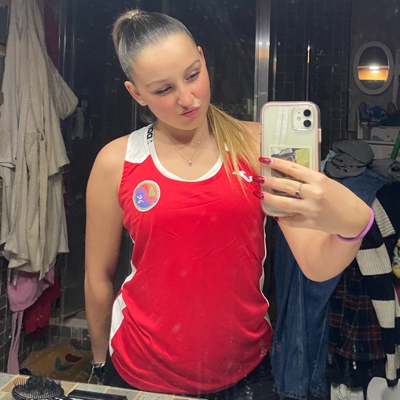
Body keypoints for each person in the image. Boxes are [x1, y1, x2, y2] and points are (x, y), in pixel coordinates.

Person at [84, 9, 372, 399]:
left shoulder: (257, 146)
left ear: (203, 59)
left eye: (193, 75)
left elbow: (315, 265)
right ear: (136, 93)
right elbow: (98, 277)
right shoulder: (116, 162)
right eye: (163, 90)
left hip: (246, 369)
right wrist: (99, 364)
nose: (187, 98)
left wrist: (353, 225)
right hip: (139, 369)